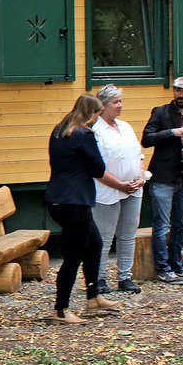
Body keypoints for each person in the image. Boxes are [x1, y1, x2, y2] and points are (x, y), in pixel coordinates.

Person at [46, 94, 138, 324]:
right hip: (75, 201)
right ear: (92, 113)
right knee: (74, 255)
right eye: (97, 115)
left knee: (94, 245)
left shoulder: (60, 130)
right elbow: (98, 168)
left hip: (57, 197)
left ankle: (93, 296)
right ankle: (61, 309)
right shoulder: (84, 134)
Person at [142, 76, 183, 283]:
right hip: (162, 177)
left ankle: (177, 265)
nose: (181, 95)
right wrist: (172, 132)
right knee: (162, 226)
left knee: (180, 224)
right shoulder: (160, 112)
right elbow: (147, 139)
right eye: (178, 90)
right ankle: (162, 268)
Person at [91, 85, 146, 294]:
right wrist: (119, 184)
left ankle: (125, 277)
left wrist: (140, 177)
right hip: (108, 190)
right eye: (116, 102)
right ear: (103, 105)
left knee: (128, 234)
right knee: (104, 237)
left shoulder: (125, 126)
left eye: (121, 101)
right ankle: (99, 278)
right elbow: (96, 166)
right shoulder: (96, 130)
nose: (120, 106)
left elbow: (139, 155)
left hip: (133, 188)